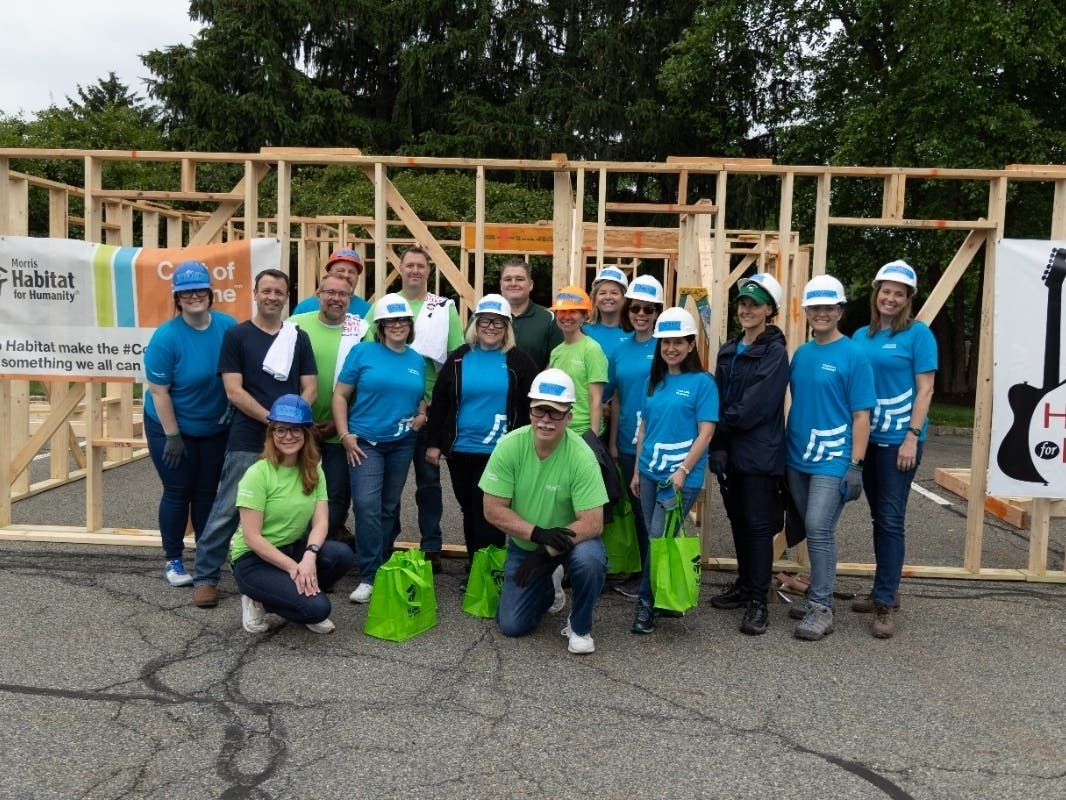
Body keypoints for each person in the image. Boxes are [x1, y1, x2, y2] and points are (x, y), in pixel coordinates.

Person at [191, 268, 318, 609]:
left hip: (291, 438)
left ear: (286, 296)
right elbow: (233, 390)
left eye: (279, 291)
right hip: (249, 436)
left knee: (295, 505)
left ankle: (297, 572)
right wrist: (275, 422)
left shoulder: (297, 337)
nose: (273, 297)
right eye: (267, 290)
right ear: (256, 293)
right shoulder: (237, 336)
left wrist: (292, 423)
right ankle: (206, 576)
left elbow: (310, 387)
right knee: (229, 506)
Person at [480, 369, 609, 655]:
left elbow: (592, 523)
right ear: (530, 412)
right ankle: (549, 587)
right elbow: (492, 509)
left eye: (556, 413)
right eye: (540, 411)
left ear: (570, 417)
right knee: (512, 626)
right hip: (528, 544)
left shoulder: (582, 456)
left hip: (572, 543)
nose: (546, 420)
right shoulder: (509, 446)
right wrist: (537, 535)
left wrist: (546, 551)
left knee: (590, 560)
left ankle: (579, 626)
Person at [362, 246, 463, 571]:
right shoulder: (384, 305)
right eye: (410, 265)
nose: (415, 270)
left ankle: (431, 545)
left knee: (429, 482)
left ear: (428, 271)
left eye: (421, 265)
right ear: (401, 269)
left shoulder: (444, 308)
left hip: (430, 410)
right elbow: (366, 348)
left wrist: (443, 405)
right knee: (387, 488)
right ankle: (385, 547)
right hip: (389, 410)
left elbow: (455, 357)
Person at [785, 274, 875, 641]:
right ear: (806, 311)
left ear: (839, 310)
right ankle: (814, 599)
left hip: (833, 458)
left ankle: (821, 606)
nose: (821, 313)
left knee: (820, 528)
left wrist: (855, 465)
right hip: (797, 457)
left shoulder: (854, 355)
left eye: (829, 307)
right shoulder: (802, 353)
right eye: (815, 307)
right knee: (810, 527)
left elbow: (861, 416)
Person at [850, 260, 937, 638]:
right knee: (878, 517)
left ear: (908, 299)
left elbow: (926, 389)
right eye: (886, 291)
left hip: (898, 443)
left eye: (899, 293)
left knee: (890, 518)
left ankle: (885, 602)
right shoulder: (859, 336)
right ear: (876, 294)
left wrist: (912, 436)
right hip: (866, 440)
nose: (891, 297)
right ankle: (883, 589)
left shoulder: (919, 335)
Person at [425, 294, 538, 577]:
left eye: (498, 322)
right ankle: (478, 567)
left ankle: (490, 571)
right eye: (485, 320)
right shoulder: (460, 357)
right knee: (469, 509)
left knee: (491, 512)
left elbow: (530, 406)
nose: (491, 327)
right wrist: (434, 443)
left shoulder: (518, 361)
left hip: (499, 452)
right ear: (476, 323)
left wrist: (529, 445)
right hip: (461, 449)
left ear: (507, 327)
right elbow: (440, 401)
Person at [143, 260, 237, 587]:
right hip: (170, 427)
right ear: (178, 298)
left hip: (214, 427)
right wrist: (172, 435)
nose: (193, 296)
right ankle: (173, 559)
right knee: (178, 491)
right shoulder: (166, 338)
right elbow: (159, 391)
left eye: (199, 290)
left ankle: (206, 555)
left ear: (210, 293)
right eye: (186, 292)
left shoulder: (227, 327)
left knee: (207, 493)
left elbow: (237, 375)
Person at [707, 274, 790, 636]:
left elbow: (756, 405)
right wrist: (718, 445)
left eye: (754, 304)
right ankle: (744, 585)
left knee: (757, 526)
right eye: (742, 303)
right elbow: (716, 395)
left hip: (758, 453)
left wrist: (716, 428)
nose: (746, 309)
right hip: (731, 449)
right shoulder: (729, 349)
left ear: (770, 309)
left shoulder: (774, 352)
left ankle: (759, 598)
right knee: (739, 521)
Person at [231, 395, 354, 634]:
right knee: (318, 609)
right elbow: (252, 538)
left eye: (295, 430)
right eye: (281, 429)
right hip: (253, 559)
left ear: (306, 433)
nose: (288, 436)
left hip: (292, 548)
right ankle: (258, 599)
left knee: (341, 555)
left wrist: (309, 558)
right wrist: (292, 568)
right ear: (271, 433)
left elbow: (321, 522)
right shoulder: (258, 474)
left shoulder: (313, 468)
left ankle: (297, 594)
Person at [629, 307, 718, 634]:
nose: (671, 348)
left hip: (679, 479)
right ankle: (666, 595)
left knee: (657, 536)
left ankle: (645, 604)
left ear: (691, 344)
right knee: (661, 539)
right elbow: (644, 428)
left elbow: (706, 432)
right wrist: (638, 470)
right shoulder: (655, 381)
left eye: (678, 342)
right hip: (650, 473)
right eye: (665, 342)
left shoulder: (703, 383)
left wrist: (682, 471)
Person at [334, 294, 427, 605]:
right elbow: (339, 396)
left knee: (388, 506)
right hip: (365, 443)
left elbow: (418, 396)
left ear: (410, 325)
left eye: (402, 320)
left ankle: (383, 563)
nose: (397, 325)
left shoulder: (416, 359)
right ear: (381, 325)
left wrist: (423, 414)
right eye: (391, 321)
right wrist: (345, 434)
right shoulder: (362, 352)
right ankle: (369, 574)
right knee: (366, 505)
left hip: (402, 442)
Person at [290, 271, 369, 545]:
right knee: (297, 488)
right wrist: (301, 420)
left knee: (336, 493)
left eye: (343, 294)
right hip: (300, 426)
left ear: (351, 298)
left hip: (341, 428)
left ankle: (325, 551)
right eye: (330, 293)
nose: (336, 299)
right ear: (318, 295)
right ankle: (295, 546)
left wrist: (339, 422)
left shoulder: (362, 330)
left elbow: (367, 383)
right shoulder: (295, 325)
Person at [606, 274, 665, 599]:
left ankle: (660, 578)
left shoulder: (666, 345)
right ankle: (646, 575)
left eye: (648, 309)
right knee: (641, 514)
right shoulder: (620, 349)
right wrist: (613, 442)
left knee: (662, 513)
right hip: (629, 443)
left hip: (661, 444)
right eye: (636, 308)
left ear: (657, 312)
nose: (641, 314)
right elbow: (615, 398)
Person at [548, 285, 608, 435]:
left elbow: (596, 399)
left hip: (584, 431)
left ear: (584, 317)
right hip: (560, 429)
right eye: (562, 311)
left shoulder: (592, 349)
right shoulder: (556, 352)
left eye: (573, 311)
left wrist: (593, 438)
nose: (566, 316)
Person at [499, 257, 562, 370]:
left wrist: (539, 386)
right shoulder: (483, 316)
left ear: (531, 284)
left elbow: (557, 360)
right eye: (508, 279)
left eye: (519, 279)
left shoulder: (549, 318)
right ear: (501, 285)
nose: (513, 283)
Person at [291, 248, 371, 318]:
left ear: (357, 277)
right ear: (329, 274)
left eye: (351, 272)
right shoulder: (305, 308)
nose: (346, 275)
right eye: (340, 270)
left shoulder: (368, 311)